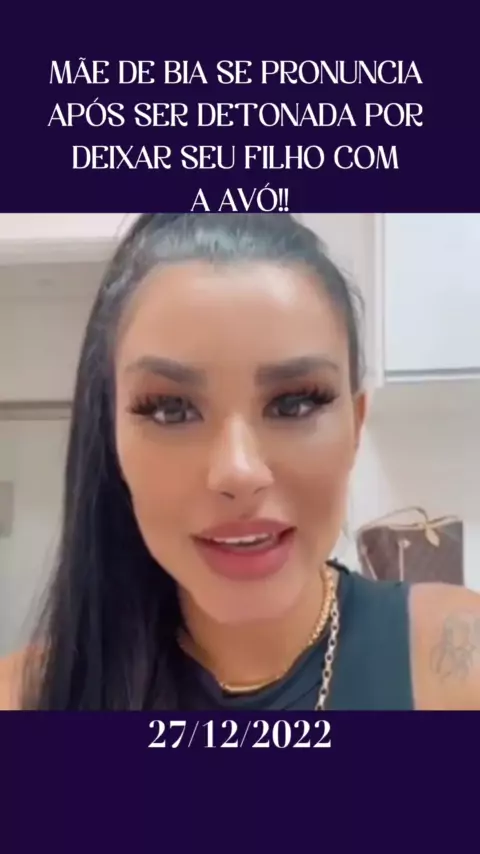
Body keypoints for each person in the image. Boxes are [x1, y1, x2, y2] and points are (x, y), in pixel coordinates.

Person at [1, 212, 479, 711]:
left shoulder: (458, 670)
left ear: (355, 426)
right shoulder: (24, 699)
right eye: (171, 409)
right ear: (111, 437)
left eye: (294, 404)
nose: (239, 470)